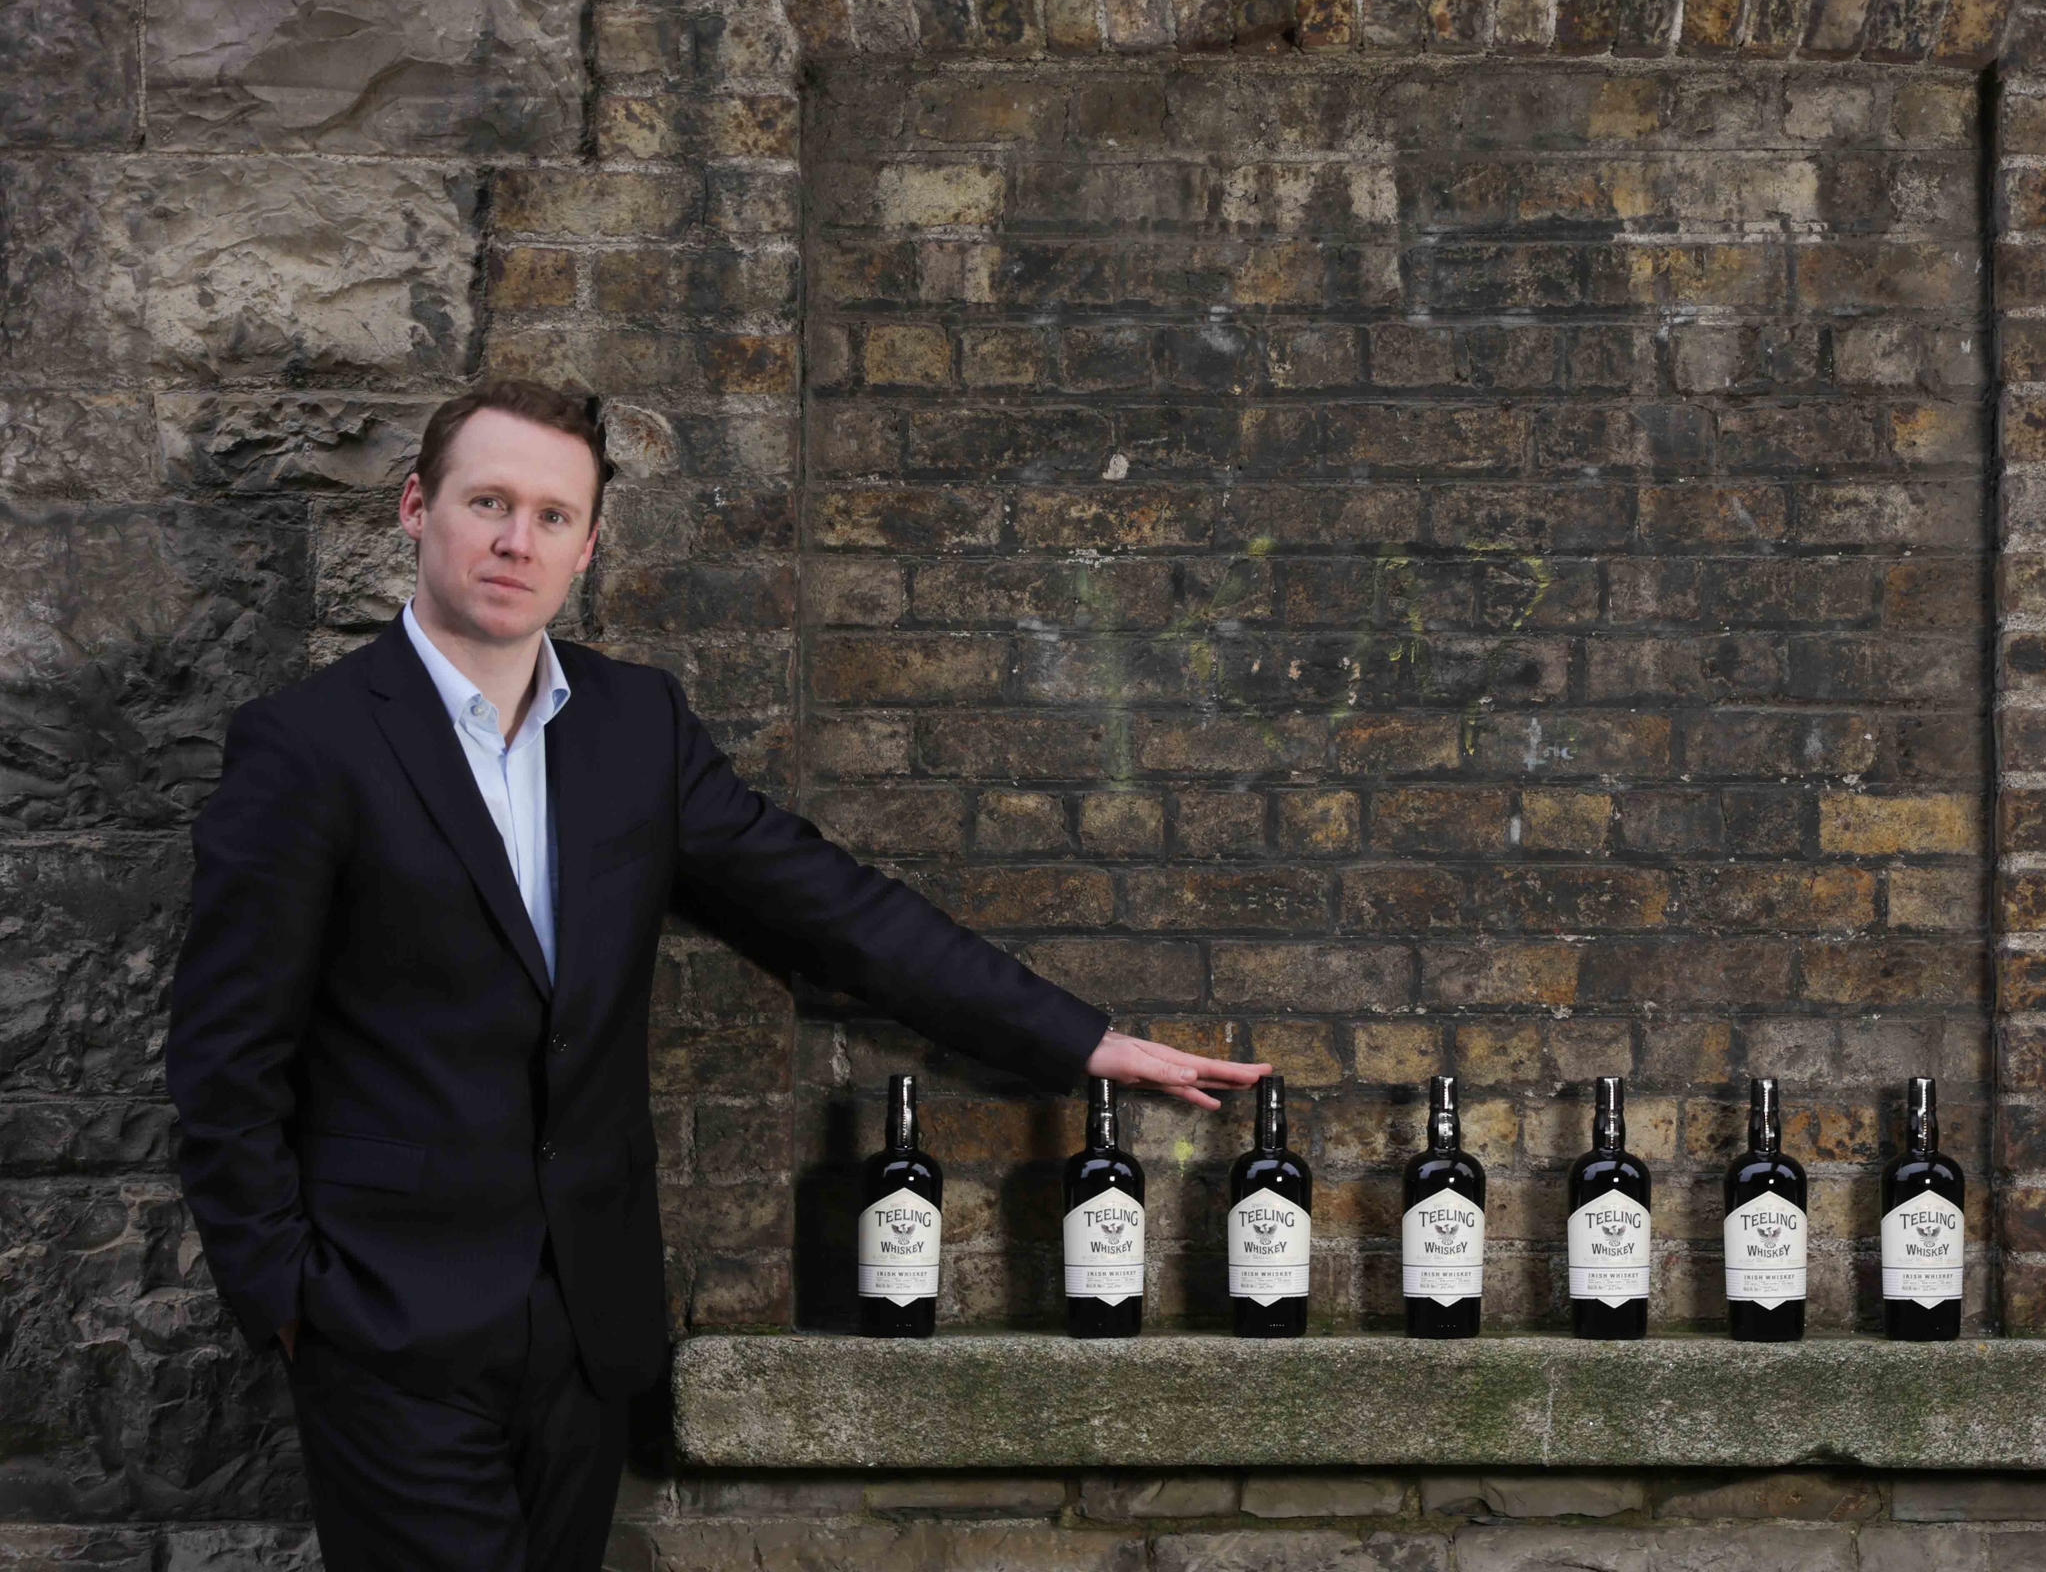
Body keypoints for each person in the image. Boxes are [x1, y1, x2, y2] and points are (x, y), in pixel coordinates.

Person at [164, 379, 1268, 1571]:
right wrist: (292, 1302)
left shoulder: (635, 725)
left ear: (589, 545)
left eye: (550, 514)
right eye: (487, 502)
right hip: (384, 1333)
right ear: (415, 508)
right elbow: (226, 1060)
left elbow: (833, 908)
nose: (515, 540)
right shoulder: (308, 743)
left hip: (586, 1330)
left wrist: (1079, 1039)